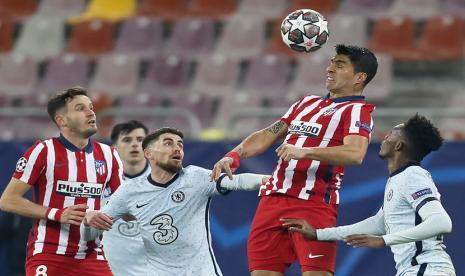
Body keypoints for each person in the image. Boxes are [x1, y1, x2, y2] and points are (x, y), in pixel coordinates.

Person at [211, 44, 379, 276]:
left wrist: (306, 152)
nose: (329, 68)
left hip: (314, 204)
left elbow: (355, 153)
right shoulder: (306, 103)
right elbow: (269, 133)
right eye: (331, 62)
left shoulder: (357, 111)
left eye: (339, 65)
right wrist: (235, 154)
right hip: (272, 201)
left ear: (360, 77)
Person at [282, 114, 456, 276]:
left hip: (427, 268)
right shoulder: (399, 178)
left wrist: (384, 240)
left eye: (391, 134)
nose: (385, 137)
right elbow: (377, 223)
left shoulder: (412, 176)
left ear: (398, 145)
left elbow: (441, 222)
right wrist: (319, 234)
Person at [81, 127, 269, 276]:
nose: (177, 148)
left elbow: (239, 181)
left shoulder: (196, 178)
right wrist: (88, 222)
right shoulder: (130, 192)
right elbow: (91, 234)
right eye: (168, 143)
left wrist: (275, 181)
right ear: (149, 153)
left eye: (180, 144)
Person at [0, 87, 122, 276]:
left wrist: (98, 216)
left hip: (93, 256)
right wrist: (57, 214)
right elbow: (8, 200)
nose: (91, 112)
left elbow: (122, 204)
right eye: (80, 108)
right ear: (61, 120)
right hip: (48, 254)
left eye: (91, 107)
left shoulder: (110, 155)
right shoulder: (43, 151)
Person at [101, 120, 149, 276]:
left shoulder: (166, 181)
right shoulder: (98, 180)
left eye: (140, 140)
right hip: (107, 269)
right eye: (127, 140)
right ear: (114, 148)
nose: (135, 145)